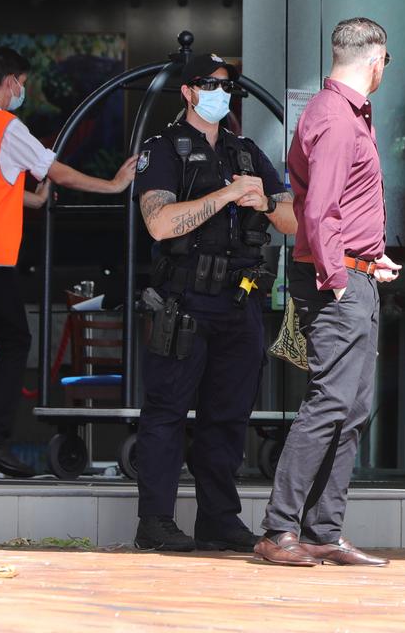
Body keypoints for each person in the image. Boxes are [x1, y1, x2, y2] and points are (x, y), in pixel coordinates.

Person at [0, 47, 136, 479]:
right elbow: (56, 171)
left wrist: (32, 199)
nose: (23, 91)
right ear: (10, 83)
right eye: (22, 83)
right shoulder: (5, 126)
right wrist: (115, 185)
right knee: (17, 340)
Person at [131, 52, 296, 552]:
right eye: (209, 83)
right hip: (183, 301)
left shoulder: (244, 151)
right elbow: (158, 223)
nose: (220, 91)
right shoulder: (163, 148)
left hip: (239, 300)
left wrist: (265, 202)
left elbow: (293, 220)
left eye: (227, 85)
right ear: (187, 91)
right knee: (167, 413)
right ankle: (155, 522)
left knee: (229, 416)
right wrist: (224, 197)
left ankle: (219, 519)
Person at [253, 18, 400, 568]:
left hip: (356, 275)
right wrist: (339, 278)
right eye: (387, 62)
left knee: (352, 406)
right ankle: (278, 529)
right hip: (335, 284)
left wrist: (368, 257)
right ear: (376, 59)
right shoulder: (337, 119)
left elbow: (339, 207)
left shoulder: (342, 114)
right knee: (330, 402)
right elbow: (317, 211)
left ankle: (322, 530)